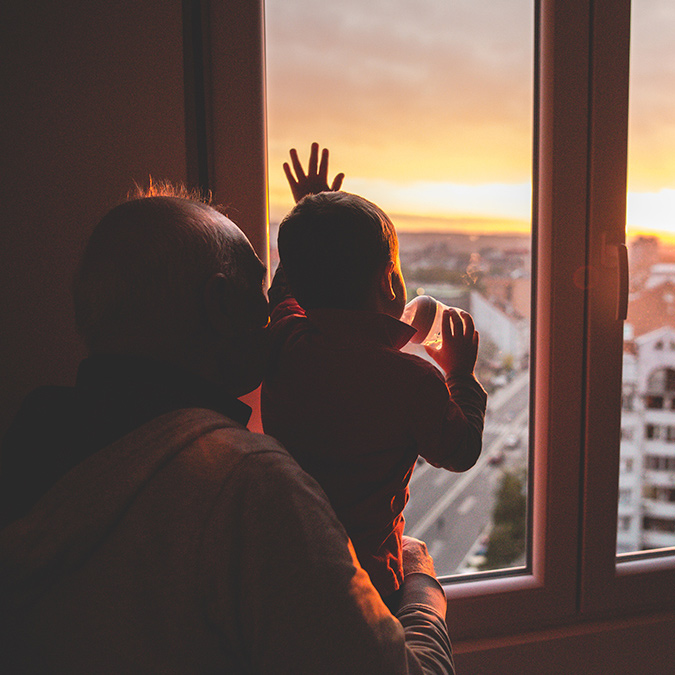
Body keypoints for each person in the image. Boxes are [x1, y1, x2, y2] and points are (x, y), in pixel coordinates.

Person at [0, 184, 456, 674]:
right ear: (219, 303)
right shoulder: (249, 486)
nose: (279, 305)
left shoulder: (33, 438)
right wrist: (422, 588)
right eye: (262, 288)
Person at [262, 144, 488, 604]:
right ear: (390, 282)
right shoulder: (412, 381)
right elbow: (460, 450)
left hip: (287, 563)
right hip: (366, 577)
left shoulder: (286, 341)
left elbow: (284, 290)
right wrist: (460, 375)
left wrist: (309, 216)